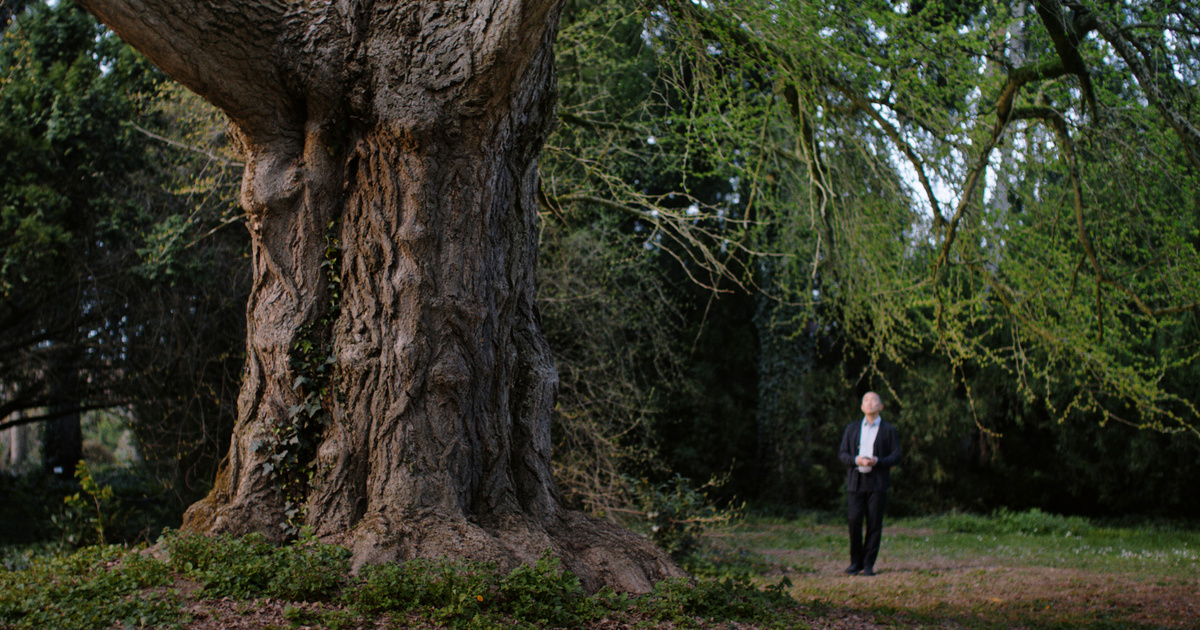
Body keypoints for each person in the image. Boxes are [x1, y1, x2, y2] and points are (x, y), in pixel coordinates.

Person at [837, 391, 901, 576]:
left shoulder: (889, 430)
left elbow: (896, 456)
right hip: (856, 481)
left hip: (877, 482)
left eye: (874, 400)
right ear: (861, 406)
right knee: (854, 520)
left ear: (881, 406)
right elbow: (842, 453)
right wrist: (856, 460)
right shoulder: (852, 428)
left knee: (874, 523)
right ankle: (854, 563)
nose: (870, 403)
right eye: (866, 400)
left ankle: (868, 564)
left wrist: (877, 461)